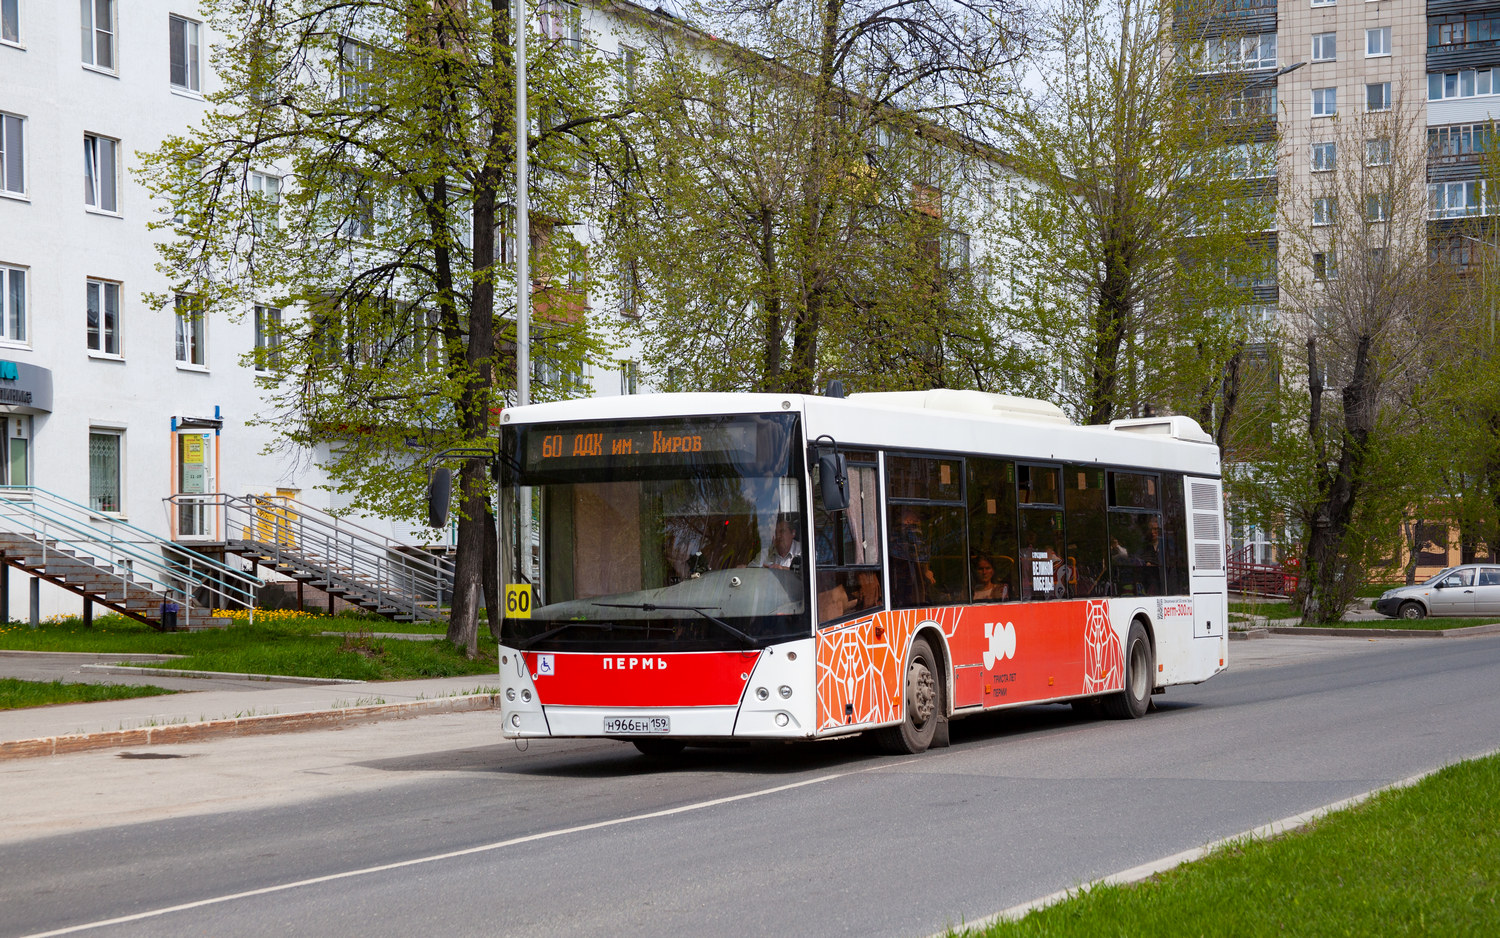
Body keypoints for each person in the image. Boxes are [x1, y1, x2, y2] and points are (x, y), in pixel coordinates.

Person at [890, 506, 936, 606]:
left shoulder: (894, 532)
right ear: (909, 520)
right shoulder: (912, 531)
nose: (918, 522)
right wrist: (926, 570)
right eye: (916, 520)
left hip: (899, 575)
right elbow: (920, 552)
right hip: (912, 575)